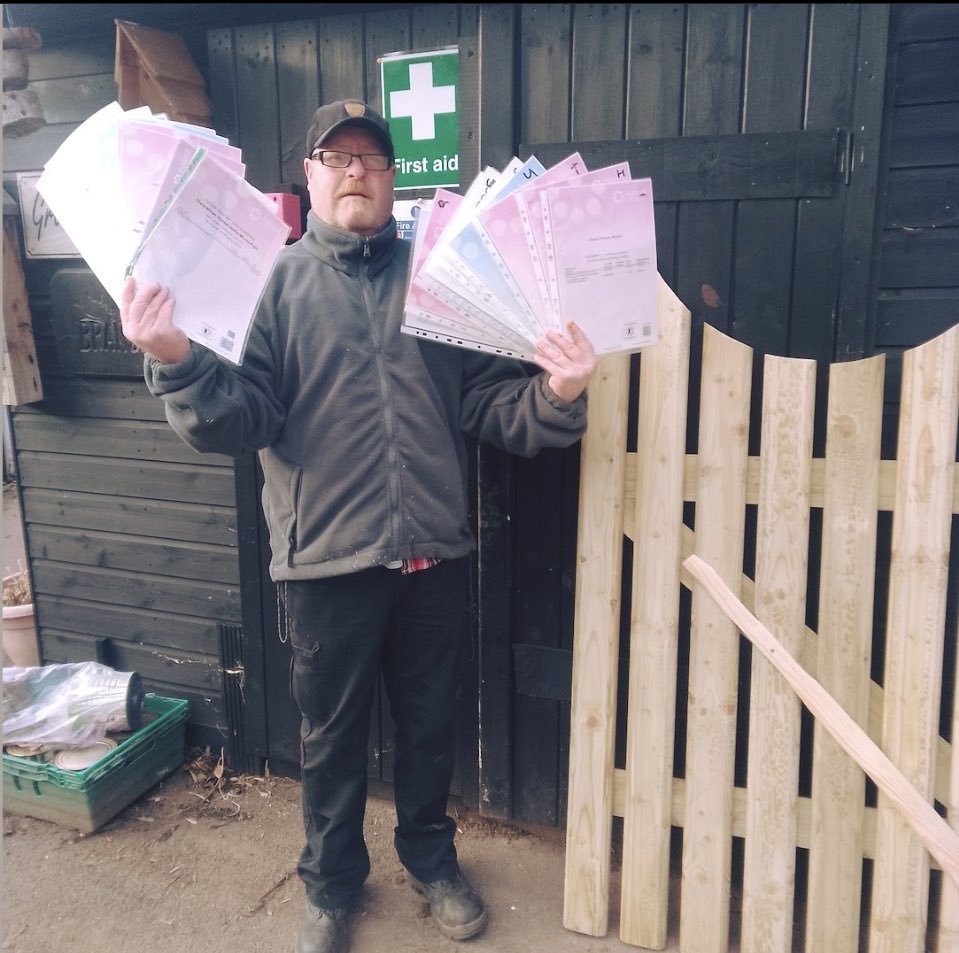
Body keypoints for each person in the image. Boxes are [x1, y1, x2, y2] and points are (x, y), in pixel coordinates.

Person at [120, 98, 597, 953]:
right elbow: (244, 418)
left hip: (431, 554)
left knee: (426, 725)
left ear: (390, 178)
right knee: (330, 739)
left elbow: (489, 400)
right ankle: (332, 884)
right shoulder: (270, 283)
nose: (356, 173)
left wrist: (556, 394)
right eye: (336, 159)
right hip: (323, 562)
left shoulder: (439, 278)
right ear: (308, 177)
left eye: (371, 160)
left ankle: (430, 858)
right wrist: (177, 364)